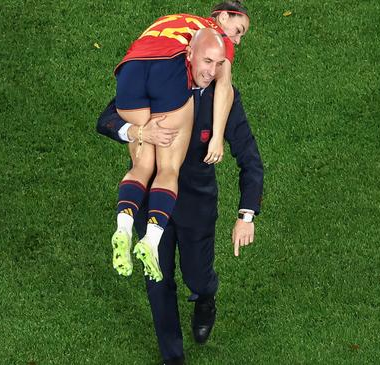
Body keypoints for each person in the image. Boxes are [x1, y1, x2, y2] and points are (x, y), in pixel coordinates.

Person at [97, 82, 263, 364]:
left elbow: (250, 159)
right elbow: (107, 120)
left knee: (197, 275)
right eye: (206, 62)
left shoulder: (222, 98)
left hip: (196, 205)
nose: (210, 71)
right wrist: (138, 131)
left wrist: (246, 216)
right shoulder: (156, 82)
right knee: (157, 280)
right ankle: (172, 358)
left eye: (216, 64)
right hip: (150, 200)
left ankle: (206, 295)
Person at [111, 2, 251, 282]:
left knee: (143, 160)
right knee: (167, 168)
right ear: (223, 17)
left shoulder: (178, 20)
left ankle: (123, 227)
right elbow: (224, 87)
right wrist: (216, 138)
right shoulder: (215, 38)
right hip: (167, 72)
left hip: (129, 69)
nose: (236, 39)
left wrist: (139, 132)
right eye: (238, 30)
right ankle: (150, 241)